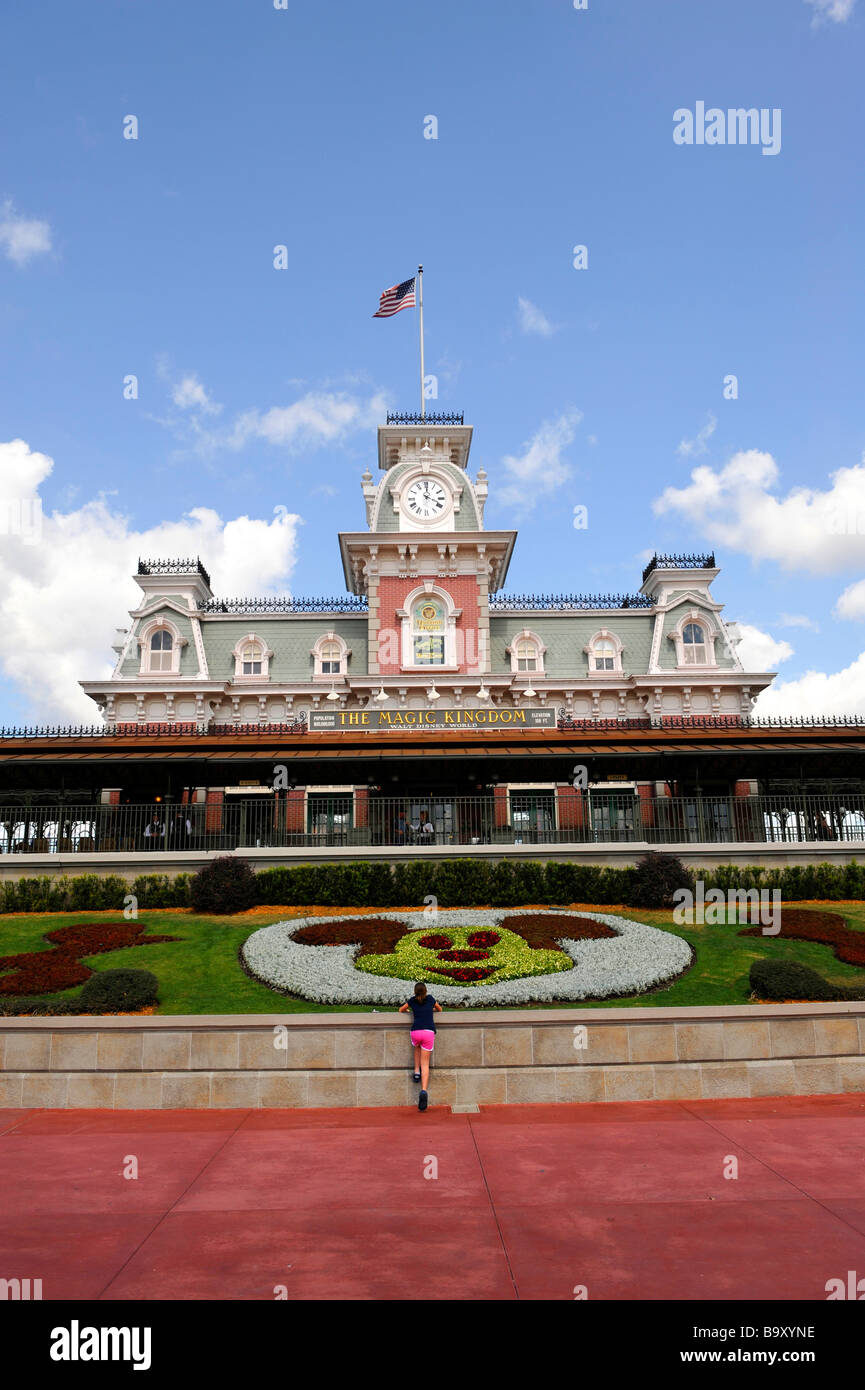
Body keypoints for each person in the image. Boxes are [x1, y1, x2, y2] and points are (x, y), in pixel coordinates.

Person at [399, 981, 442, 1111]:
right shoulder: (430, 999)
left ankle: (416, 1071)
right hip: (428, 1032)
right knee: (426, 1063)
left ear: (415, 991)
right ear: (425, 991)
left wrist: (410, 1010)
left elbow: (401, 1009)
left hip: (416, 1032)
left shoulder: (412, 1001)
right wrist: (431, 1009)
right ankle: (423, 1090)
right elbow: (440, 1009)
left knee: (416, 1046)